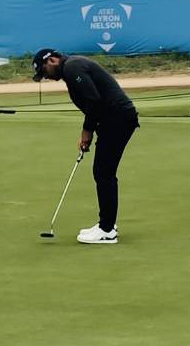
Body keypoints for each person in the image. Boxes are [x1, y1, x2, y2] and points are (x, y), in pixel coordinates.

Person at [32, 48, 138, 244]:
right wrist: (91, 132)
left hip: (119, 119)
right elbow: (95, 104)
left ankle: (106, 230)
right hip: (113, 120)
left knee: (103, 172)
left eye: (44, 71)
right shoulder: (70, 69)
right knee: (103, 171)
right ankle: (106, 224)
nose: (45, 76)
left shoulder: (72, 67)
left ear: (53, 60)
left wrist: (87, 131)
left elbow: (94, 100)